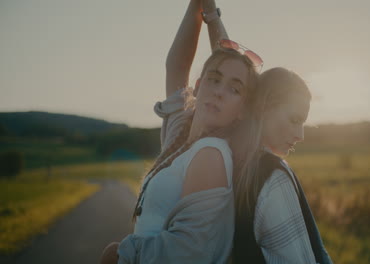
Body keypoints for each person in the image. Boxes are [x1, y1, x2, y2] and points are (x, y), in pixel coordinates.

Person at [99, 0, 260, 263]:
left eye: (234, 89)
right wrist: (201, 5)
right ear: (197, 86)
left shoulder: (212, 153)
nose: (219, 91)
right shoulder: (182, 136)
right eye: (214, 80)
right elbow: (177, 67)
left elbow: (191, 252)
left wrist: (121, 254)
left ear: (242, 109)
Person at [202, 2, 334, 263]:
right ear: (263, 108)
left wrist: (211, 16)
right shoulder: (272, 176)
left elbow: (224, 61)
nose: (301, 134)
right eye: (295, 119)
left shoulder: (226, 158)